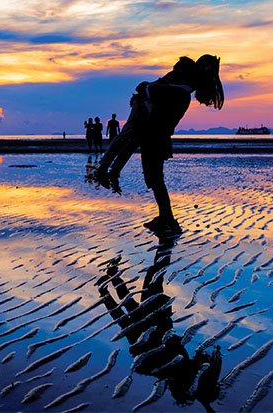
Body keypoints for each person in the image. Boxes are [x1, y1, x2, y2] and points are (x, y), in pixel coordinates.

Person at [96, 54, 224, 234]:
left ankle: (167, 219)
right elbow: (150, 91)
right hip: (156, 136)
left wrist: (145, 91)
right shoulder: (179, 89)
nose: (173, 70)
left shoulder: (177, 92)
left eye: (176, 68)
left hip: (156, 138)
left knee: (155, 179)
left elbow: (147, 91)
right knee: (154, 179)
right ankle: (165, 217)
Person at [97, 237, 222, 411]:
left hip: (152, 332)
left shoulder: (182, 367)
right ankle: (107, 283)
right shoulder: (179, 371)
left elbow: (177, 349)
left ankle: (163, 247)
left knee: (131, 305)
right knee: (126, 312)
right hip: (148, 338)